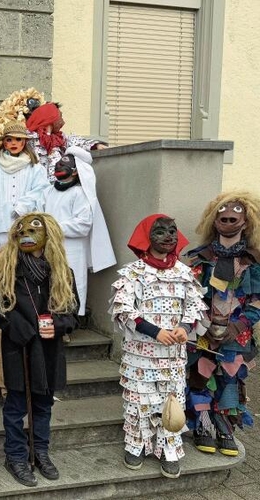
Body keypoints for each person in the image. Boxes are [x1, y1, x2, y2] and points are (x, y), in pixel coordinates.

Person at [0, 213, 78, 487]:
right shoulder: (7, 272)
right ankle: (15, 455)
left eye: (34, 229)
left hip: (48, 352)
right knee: (15, 406)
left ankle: (40, 452)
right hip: (19, 349)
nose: (26, 232)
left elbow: (73, 314)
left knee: (43, 405)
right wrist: (19, 328)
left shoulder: (62, 274)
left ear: (48, 236)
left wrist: (58, 326)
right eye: (21, 229)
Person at [110, 214, 207, 478]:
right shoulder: (132, 273)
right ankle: (136, 445)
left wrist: (185, 328)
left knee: (170, 401)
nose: (168, 236)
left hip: (173, 355)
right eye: (160, 231)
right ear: (146, 237)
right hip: (139, 355)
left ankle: (169, 450)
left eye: (173, 231)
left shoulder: (185, 274)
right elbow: (123, 311)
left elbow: (195, 307)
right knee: (138, 400)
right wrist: (155, 332)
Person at [186, 192, 260, 457]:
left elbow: (257, 301)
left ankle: (225, 427)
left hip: (236, 335)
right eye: (223, 211)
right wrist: (202, 323)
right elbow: (190, 295)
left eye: (236, 210)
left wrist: (237, 326)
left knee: (230, 379)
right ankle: (203, 426)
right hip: (203, 331)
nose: (229, 215)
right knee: (201, 377)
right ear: (214, 218)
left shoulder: (254, 261)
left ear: (246, 218)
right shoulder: (201, 257)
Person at [43, 146, 115, 331]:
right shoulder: (48, 192)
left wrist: (52, 227)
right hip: (48, 248)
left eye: (65, 163)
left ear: (76, 171)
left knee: (69, 285)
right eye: (58, 161)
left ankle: (67, 326)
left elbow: (83, 225)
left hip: (72, 251)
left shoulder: (80, 194)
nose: (59, 164)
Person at [0, 121, 49, 253]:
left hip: (27, 225)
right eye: (9, 139)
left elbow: (40, 190)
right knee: (1, 262)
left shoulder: (35, 168)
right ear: (4, 143)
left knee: (26, 262)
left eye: (18, 139)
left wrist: (22, 206)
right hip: (0, 225)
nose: (13, 143)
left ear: (24, 142)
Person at [25, 102, 106, 182]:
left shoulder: (59, 138)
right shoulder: (30, 139)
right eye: (58, 117)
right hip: (37, 186)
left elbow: (76, 141)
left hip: (58, 185)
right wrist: (47, 134)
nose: (61, 121)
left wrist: (95, 145)